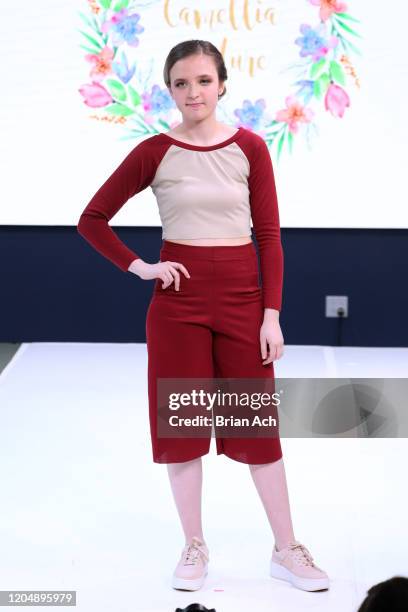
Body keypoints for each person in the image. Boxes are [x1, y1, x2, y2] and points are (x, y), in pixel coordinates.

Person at [77, 39, 329, 593]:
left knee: (257, 429)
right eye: (181, 83)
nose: (193, 92)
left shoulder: (251, 148)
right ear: (170, 90)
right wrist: (140, 266)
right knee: (184, 428)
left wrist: (272, 315)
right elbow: (92, 219)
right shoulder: (154, 150)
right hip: (179, 305)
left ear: (222, 85)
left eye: (203, 81)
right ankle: (194, 545)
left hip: (243, 301)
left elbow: (268, 236)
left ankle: (286, 549)